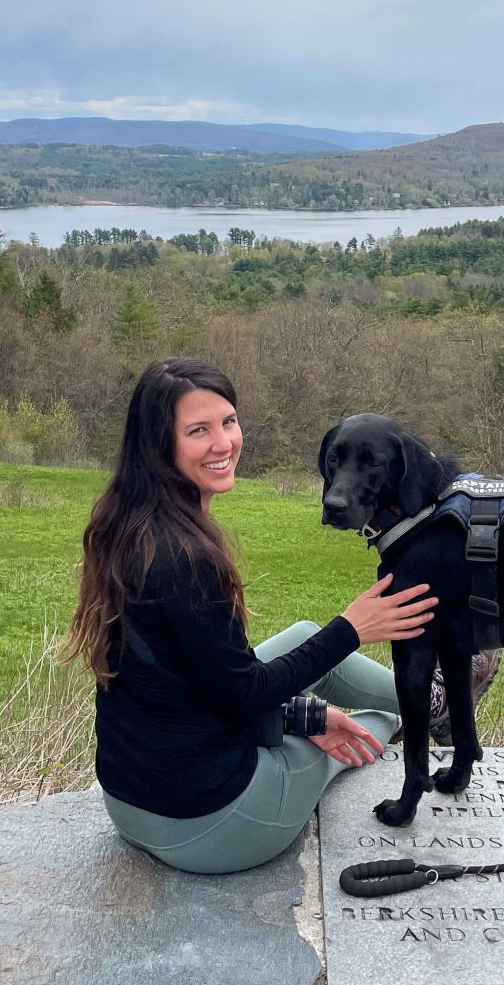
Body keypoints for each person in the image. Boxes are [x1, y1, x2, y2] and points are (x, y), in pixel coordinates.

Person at [65, 357, 435, 874]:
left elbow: (187, 687)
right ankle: (420, 709)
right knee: (375, 723)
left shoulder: (128, 523)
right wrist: (354, 629)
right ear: (158, 443)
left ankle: (435, 702)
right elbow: (241, 695)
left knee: (305, 638)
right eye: (199, 431)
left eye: (229, 421)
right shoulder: (183, 556)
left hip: (134, 803)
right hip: (213, 823)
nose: (224, 443)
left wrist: (302, 714)